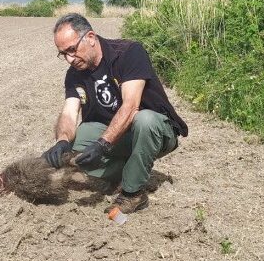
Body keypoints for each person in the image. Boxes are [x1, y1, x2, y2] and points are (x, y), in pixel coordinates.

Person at [42, 13, 188, 214]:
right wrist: (62, 141)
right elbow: (69, 112)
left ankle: (133, 193)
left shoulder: (127, 53)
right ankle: (128, 171)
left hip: (156, 130)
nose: (69, 59)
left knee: (145, 120)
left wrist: (102, 145)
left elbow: (130, 107)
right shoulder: (74, 74)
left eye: (72, 50)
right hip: (117, 136)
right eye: (63, 54)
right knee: (75, 145)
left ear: (91, 38)